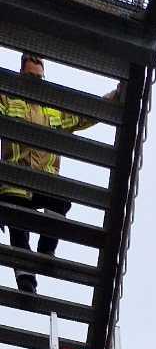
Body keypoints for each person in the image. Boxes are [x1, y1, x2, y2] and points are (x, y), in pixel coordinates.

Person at [0, 53, 120, 294]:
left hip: (45, 182)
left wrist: (116, 96)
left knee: (61, 200)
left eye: (39, 77)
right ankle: (26, 279)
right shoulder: (8, 101)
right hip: (16, 181)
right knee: (18, 226)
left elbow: (84, 114)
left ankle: (46, 249)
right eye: (31, 77)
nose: (36, 82)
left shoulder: (53, 110)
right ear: (21, 75)